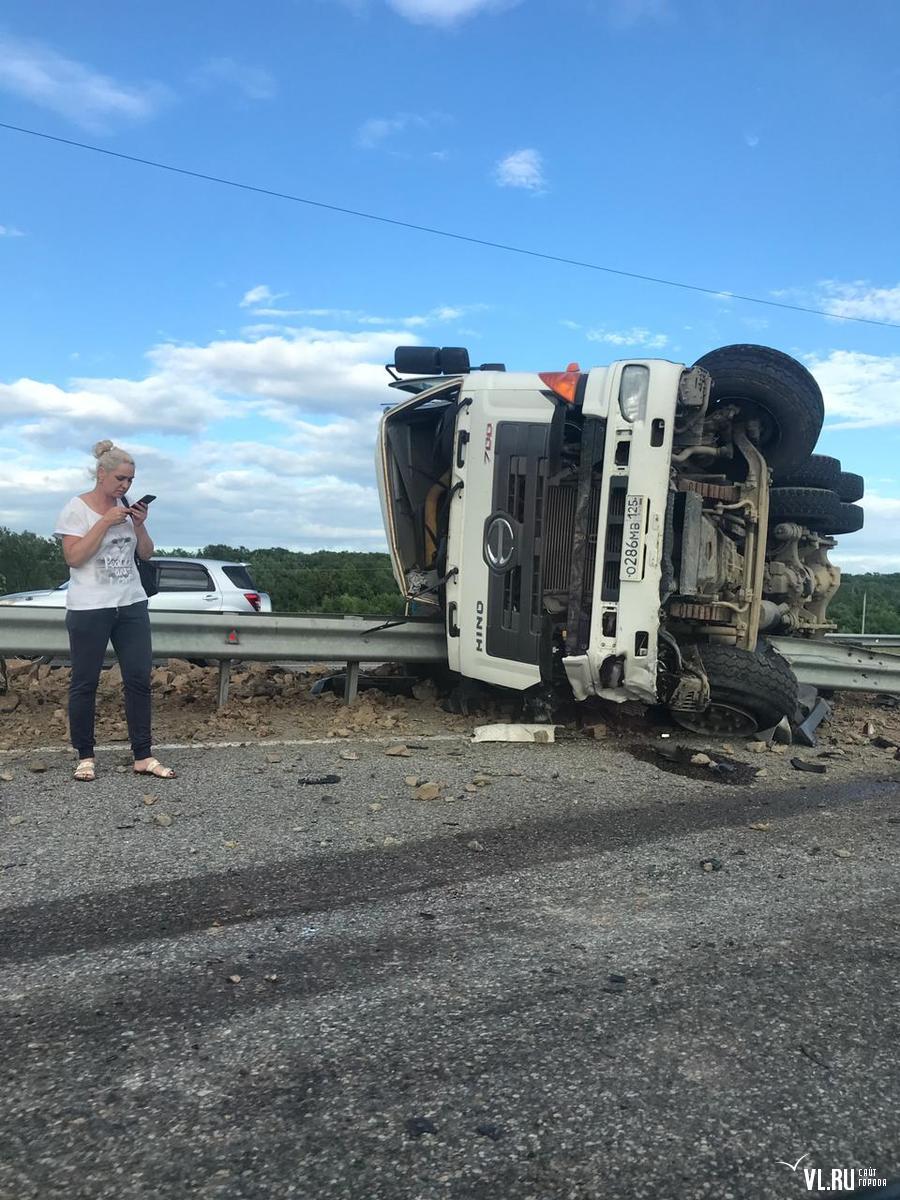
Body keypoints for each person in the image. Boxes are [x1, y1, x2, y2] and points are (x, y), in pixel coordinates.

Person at [53, 440, 175, 782]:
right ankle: (86, 756)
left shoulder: (125, 507)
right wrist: (104, 522)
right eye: (120, 478)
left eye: (131, 480)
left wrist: (139, 523)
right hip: (90, 607)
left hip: (131, 603)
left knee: (138, 679)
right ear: (102, 474)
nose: (125, 486)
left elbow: (147, 554)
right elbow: (74, 558)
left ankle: (143, 755)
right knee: (85, 682)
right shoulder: (76, 509)